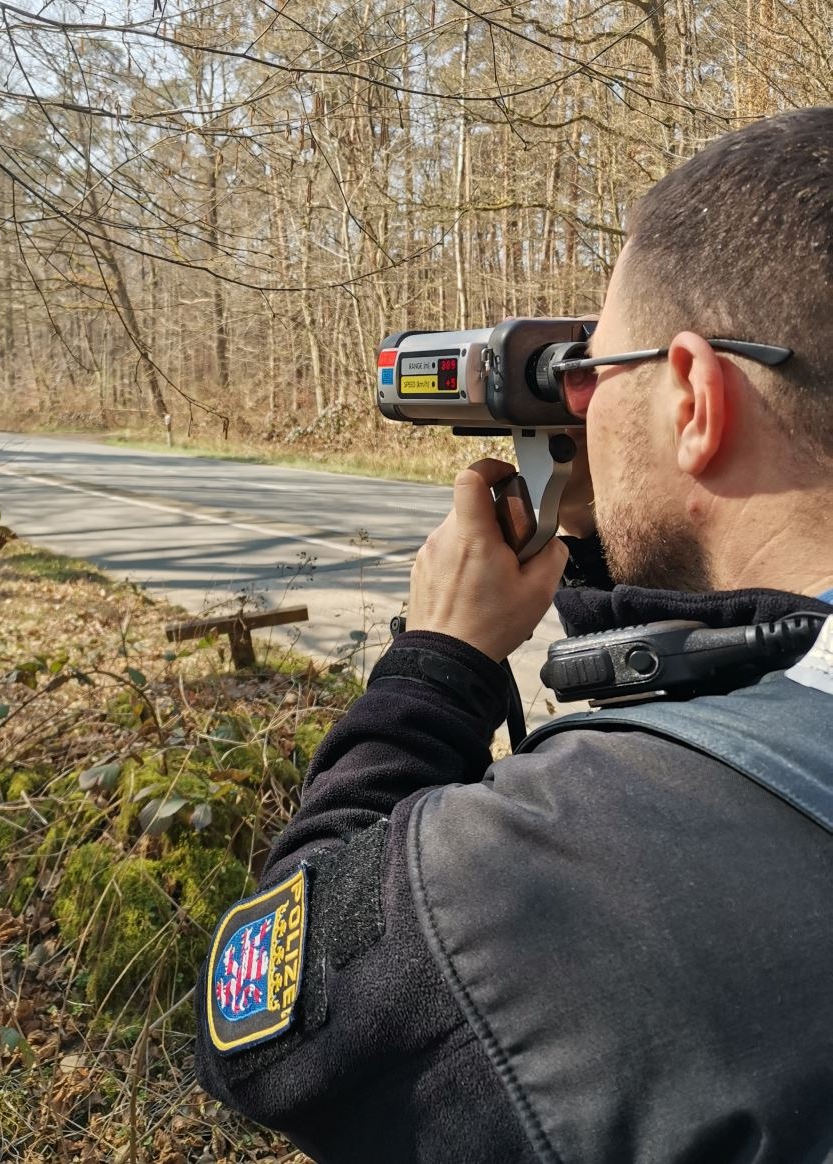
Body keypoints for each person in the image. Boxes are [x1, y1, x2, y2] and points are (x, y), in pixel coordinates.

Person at [193, 107, 833, 1162]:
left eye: (600, 373)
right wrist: (626, 528)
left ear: (692, 397)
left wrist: (435, 664)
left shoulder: (565, 869)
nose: (583, 409)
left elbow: (276, 1031)